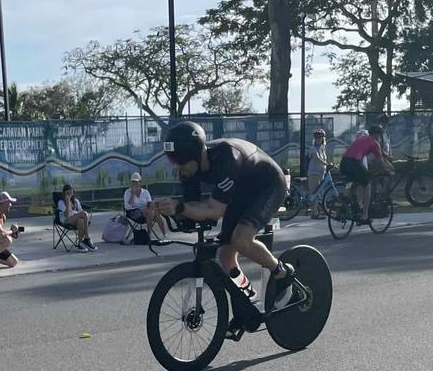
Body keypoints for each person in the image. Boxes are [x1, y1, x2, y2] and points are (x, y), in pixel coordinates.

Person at [155, 121, 294, 309]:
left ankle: (282, 273)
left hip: (269, 186)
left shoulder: (227, 157)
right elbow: (193, 206)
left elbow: (214, 211)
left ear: (195, 156)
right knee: (226, 255)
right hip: (241, 191)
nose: (179, 168)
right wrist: (168, 210)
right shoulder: (189, 169)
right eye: (173, 162)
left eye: (180, 162)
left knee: (241, 239)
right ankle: (248, 301)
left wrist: (180, 208)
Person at [339, 126, 391, 222]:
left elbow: (378, 151)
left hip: (344, 162)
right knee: (367, 185)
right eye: (379, 135)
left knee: (352, 182)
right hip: (354, 162)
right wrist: (387, 171)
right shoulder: (375, 143)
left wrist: (384, 154)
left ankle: (345, 205)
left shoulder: (362, 138)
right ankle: (365, 215)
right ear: (377, 135)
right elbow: (380, 161)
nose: (379, 138)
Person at [124, 172, 168, 241]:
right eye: (133, 182)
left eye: (136, 182)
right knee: (151, 212)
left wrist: (149, 206)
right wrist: (132, 195)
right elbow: (127, 206)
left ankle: (164, 235)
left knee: (155, 211)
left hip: (146, 211)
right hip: (133, 212)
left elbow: (149, 204)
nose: (135, 184)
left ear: (140, 182)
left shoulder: (145, 192)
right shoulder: (127, 192)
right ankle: (149, 233)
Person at [58, 184, 97, 252]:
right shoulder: (61, 202)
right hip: (66, 221)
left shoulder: (76, 201)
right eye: (67, 193)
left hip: (76, 220)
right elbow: (67, 215)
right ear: (64, 193)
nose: (69, 195)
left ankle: (80, 243)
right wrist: (67, 203)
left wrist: (78, 215)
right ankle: (87, 238)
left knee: (81, 220)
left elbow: (80, 213)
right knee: (84, 214)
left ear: (73, 192)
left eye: (71, 193)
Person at [307, 129, 331, 219]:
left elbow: (324, 159)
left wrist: (328, 164)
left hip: (321, 173)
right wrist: (326, 164)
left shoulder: (322, 148)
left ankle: (317, 211)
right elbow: (316, 158)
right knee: (314, 193)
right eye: (316, 137)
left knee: (318, 194)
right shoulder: (313, 148)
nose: (318, 139)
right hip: (314, 172)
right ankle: (315, 213)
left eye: (320, 137)